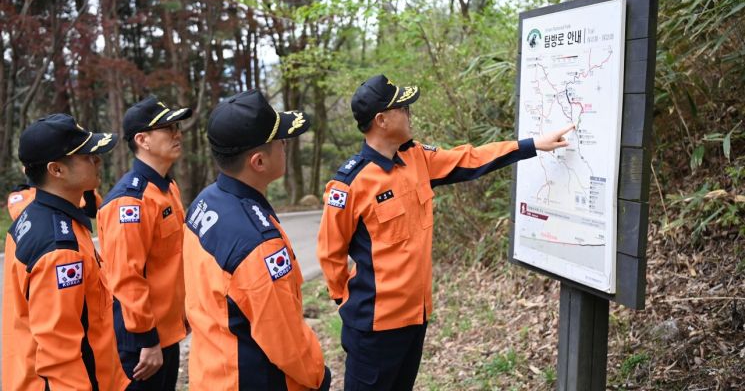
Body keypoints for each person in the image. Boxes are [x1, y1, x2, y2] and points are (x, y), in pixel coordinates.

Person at [316, 74, 574, 390]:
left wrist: (531, 145)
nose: (410, 112)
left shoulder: (417, 159)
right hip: (374, 327)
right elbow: (330, 253)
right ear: (381, 120)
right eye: (403, 107)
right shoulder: (351, 184)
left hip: (415, 319)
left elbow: (471, 158)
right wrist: (347, 301)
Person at [183, 89, 331, 390]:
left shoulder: (204, 202)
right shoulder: (258, 243)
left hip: (212, 371)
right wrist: (319, 376)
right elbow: (284, 340)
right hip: (251, 378)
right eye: (280, 141)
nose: (286, 146)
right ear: (258, 162)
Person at [1, 113, 129, 391]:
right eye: (87, 156)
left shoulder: (36, 215)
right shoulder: (60, 248)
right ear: (56, 170)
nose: (98, 161)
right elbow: (60, 357)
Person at [96, 96, 192, 390]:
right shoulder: (129, 202)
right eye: (167, 128)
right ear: (142, 140)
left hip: (167, 332)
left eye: (177, 126)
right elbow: (126, 277)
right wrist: (146, 339)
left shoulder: (166, 187)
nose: (177, 133)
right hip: (141, 343)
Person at [7, 182, 102, 221]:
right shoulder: (19, 193)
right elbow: (19, 215)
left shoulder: (64, 186)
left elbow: (93, 211)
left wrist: (87, 188)